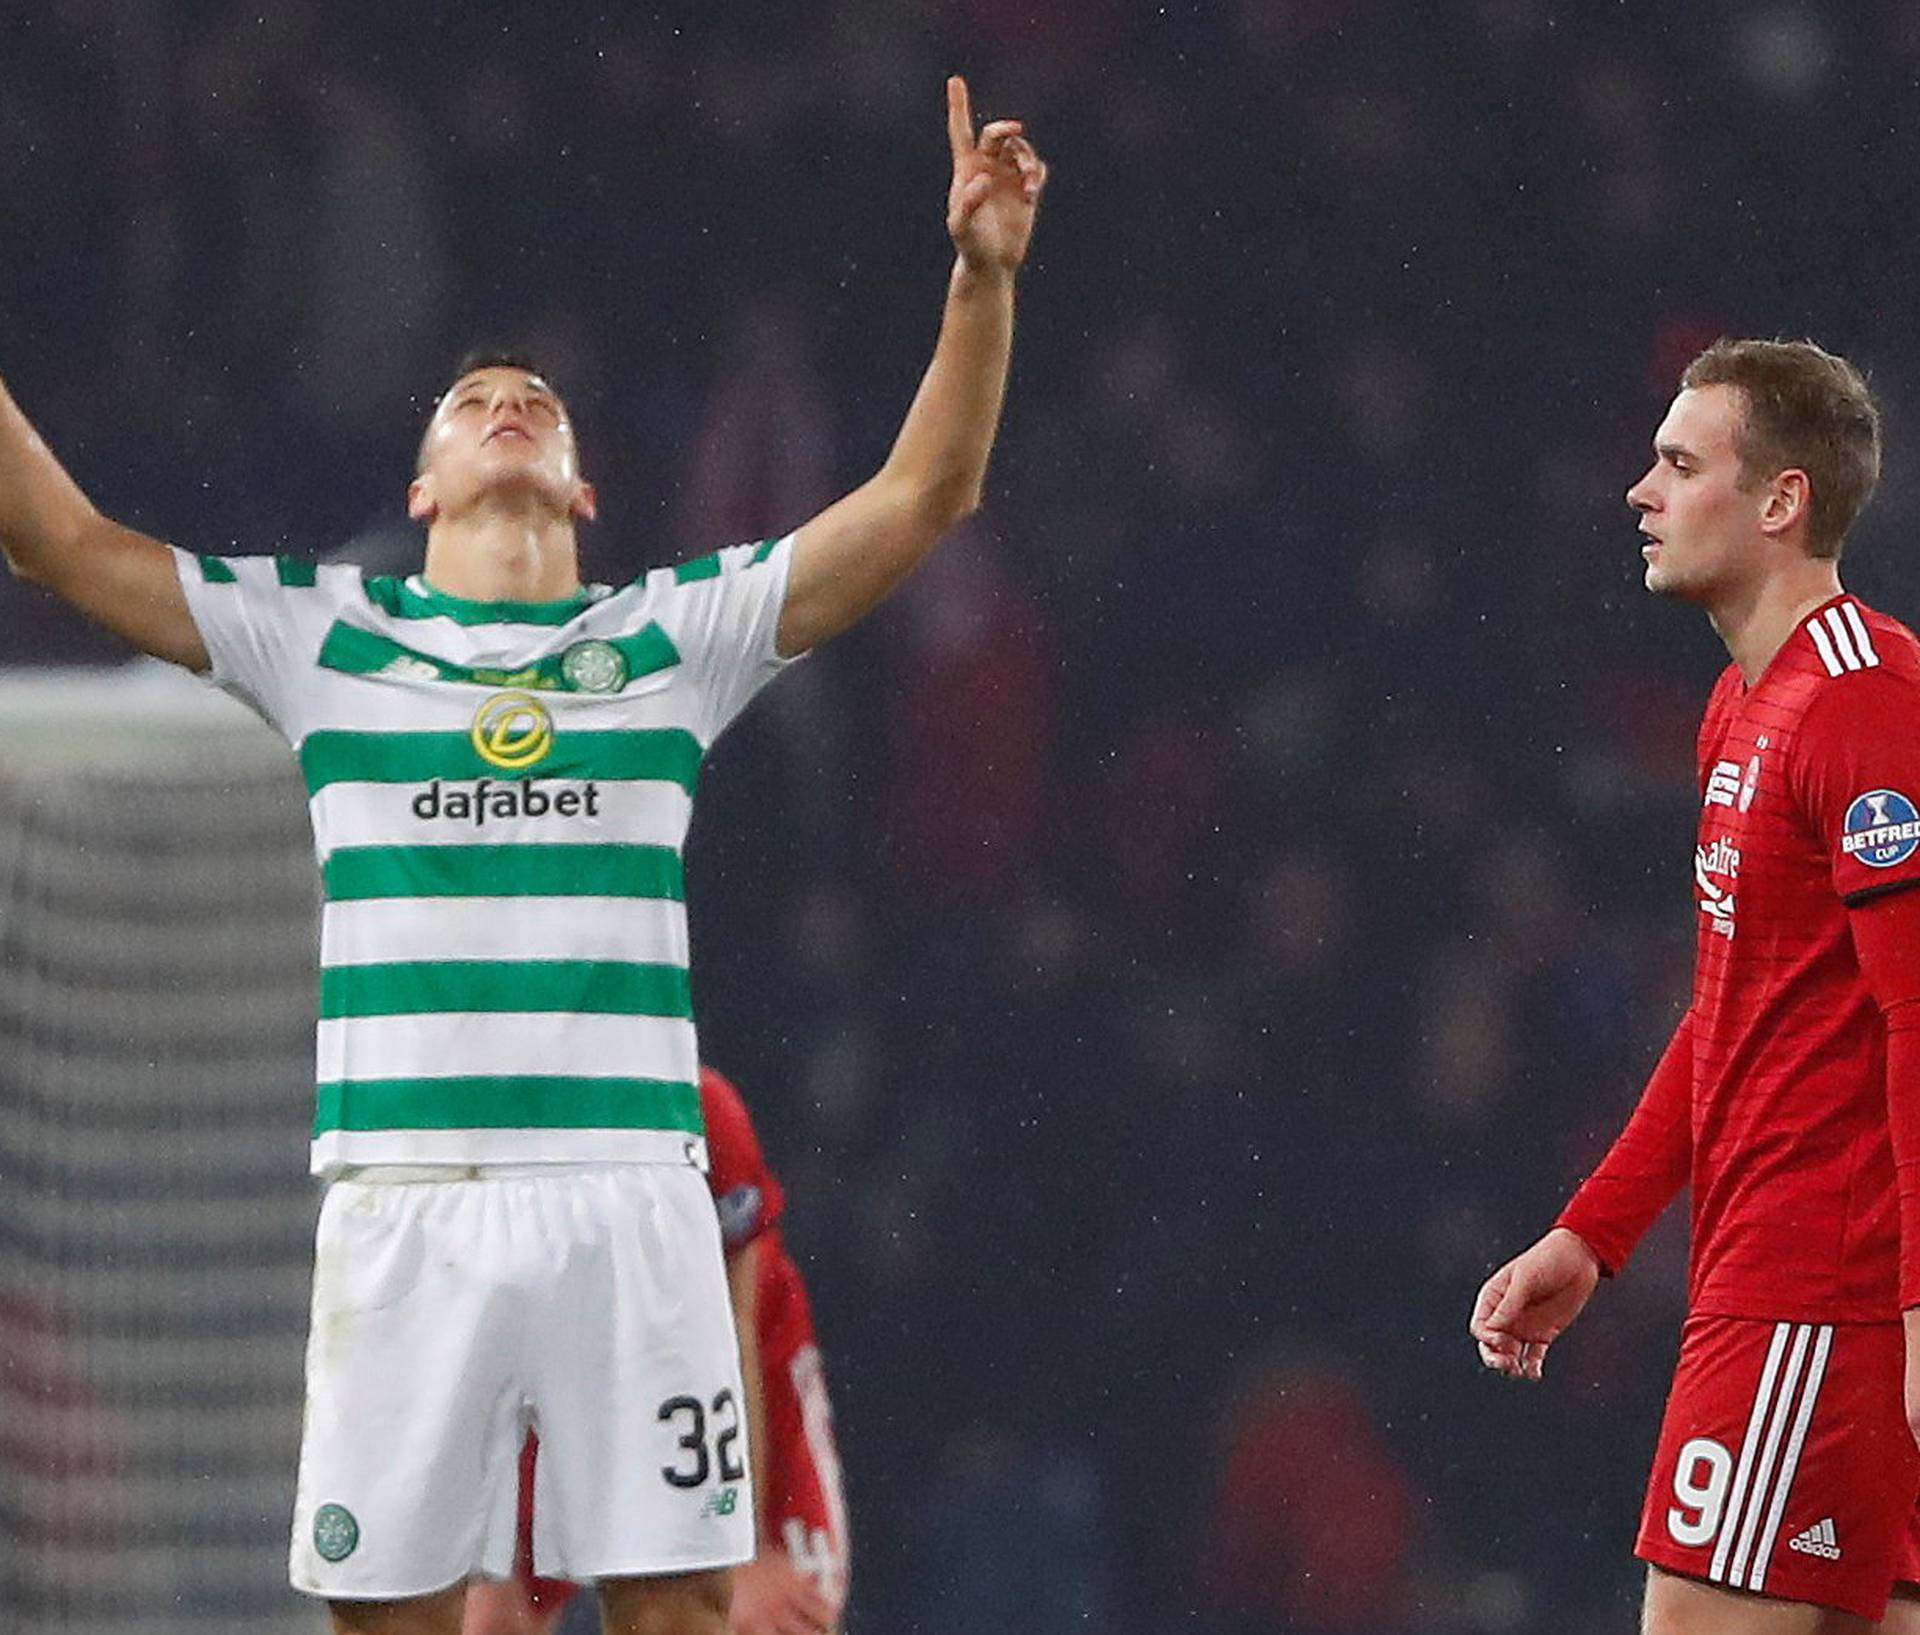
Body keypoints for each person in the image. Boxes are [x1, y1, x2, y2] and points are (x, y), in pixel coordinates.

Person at [0, 76, 1044, 1635]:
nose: (508, 405)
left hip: (630, 1201)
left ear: (582, 488)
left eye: (537, 405)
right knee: (400, 1622)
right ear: (421, 487)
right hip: (404, 1201)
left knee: (680, 1613)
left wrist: (981, 279)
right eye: (473, 400)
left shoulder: (666, 640)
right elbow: (62, 541)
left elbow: (925, 494)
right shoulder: (322, 640)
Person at [1470, 339, 1920, 1634]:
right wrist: (1597, 1231)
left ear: (1780, 500)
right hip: (1786, 1283)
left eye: (1678, 462)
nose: (1640, 490)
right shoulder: (1742, 706)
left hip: (1819, 1297)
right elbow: (1735, 1004)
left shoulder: (1863, 705)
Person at [463, 1065, 850, 1635]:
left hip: (713, 1366)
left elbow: (733, 1327)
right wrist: (493, 1570)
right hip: (552, 1368)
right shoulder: (478, 1127)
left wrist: (740, 1553)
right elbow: (473, 1344)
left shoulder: (699, 1108)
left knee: (770, 1616)